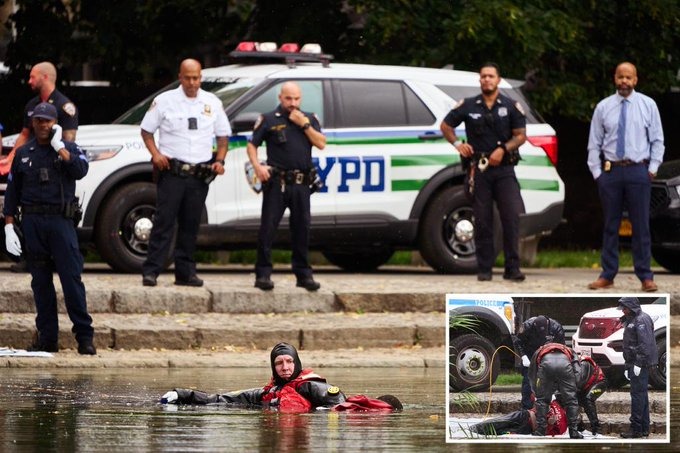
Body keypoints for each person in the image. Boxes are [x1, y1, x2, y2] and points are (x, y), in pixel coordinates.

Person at [2, 102, 95, 355]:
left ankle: (85, 338)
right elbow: (12, 193)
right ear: (33, 122)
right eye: (39, 120)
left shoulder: (68, 148)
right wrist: (9, 225)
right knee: (40, 284)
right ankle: (48, 339)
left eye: (48, 121)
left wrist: (60, 148)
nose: (43, 125)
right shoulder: (23, 153)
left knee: (71, 280)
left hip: (60, 223)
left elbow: (80, 170)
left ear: (55, 123)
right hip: (33, 223)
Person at [140, 59, 230, 288]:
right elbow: (146, 131)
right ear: (180, 77)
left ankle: (185, 273)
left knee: (191, 225)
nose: (192, 82)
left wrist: (220, 160)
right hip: (172, 171)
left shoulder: (212, 102)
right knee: (163, 222)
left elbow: (223, 136)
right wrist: (156, 154)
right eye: (188, 77)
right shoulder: (165, 101)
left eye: (196, 77)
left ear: (201, 77)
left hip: (199, 174)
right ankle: (151, 271)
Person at [440, 62, 527, 282]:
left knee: (511, 217)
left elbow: (520, 135)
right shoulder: (469, 105)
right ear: (480, 80)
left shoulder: (510, 105)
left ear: (498, 80)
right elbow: (445, 126)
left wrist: (502, 149)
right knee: (482, 219)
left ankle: (512, 268)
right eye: (483, 76)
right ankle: (485, 269)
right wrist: (459, 144)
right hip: (479, 170)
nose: (487, 79)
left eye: (491, 76)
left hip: (505, 168)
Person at [586, 62, 665, 293]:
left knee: (641, 225)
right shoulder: (603, 107)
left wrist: (653, 168)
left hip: (638, 171)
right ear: (615, 78)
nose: (624, 81)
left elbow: (657, 139)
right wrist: (597, 173)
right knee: (611, 224)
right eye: (620, 77)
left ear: (635, 80)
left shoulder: (648, 105)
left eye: (628, 77)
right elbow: (594, 143)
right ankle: (607, 274)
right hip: (610, 173)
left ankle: (645, 276)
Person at [160, 342, 401, 413]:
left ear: (297, 363)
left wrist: (325, 414)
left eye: (289, 362)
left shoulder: (311, 386)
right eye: (279, 363)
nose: (285, 367)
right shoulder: (267, 392)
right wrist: (182, 394)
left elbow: (342, 406)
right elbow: (222, 400)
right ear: (273, 368)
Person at [247, 82, 326, 291]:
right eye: (288, 99)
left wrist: (304, 125)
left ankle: (303, 275)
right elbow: (252, 144)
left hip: (301, 183)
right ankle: (263, 274)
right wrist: (257, 166)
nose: (293, 103)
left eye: (297, 99)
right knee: (268, 229)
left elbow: (321, 143)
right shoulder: (269, 119)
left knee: (302, 229)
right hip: (277, 183)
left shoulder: (309, 118)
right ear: (280, 98)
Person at [0, 62, 79, 273]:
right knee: (27, 205)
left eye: (33, 77)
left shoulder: (64, 106)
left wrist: (57, 151)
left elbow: (69, 141)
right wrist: (11, 158)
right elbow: (25, 135)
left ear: (45, 77)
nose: (29, 81)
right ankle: (29, 256)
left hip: (56, 165)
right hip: (33, 163)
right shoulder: (32, 105)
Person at [618, 296, 657, 438]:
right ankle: (644, 428)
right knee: (641, 395)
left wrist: (638, 363)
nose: (623, 310)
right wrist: (628, 365)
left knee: (637, 396)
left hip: (639, 363)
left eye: (625, 307)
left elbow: (645, 344)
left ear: (632, 307)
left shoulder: (641, 320)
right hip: (634, 363)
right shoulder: (633, 319)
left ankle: (636, 429)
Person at [528, 342, 583, 439]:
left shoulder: (539, 350)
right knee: (571, 401)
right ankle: (573, 431)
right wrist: (575, 386)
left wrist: (536, 391)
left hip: (546, 366)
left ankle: (541, 430)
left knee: (542, 400)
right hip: (565, 367)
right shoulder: (569, 350)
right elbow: (578, 370)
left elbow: (532, 373)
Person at [512, 315, 565, 410]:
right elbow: (518, 342)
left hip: (548, 357)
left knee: (552, 382)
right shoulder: (527, 326)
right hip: (530, 356)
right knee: (528, 382)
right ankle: (526, 408)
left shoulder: (556, 328)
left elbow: (561, 347)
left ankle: (552, 407)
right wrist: (523, 356)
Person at [557, 353, 607, 436]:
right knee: (565, 399)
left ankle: (596, 428)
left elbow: (579, 383)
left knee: (588, 399)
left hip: (599, 383)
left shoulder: (583, 364)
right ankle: (580, 427)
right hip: (583, 387)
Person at [469, 399, 567, 436]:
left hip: (528, 428)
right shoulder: (556, 403)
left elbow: (544, 433)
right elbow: (537, 400)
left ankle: (479, 433)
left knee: (502, 431)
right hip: (526, 415)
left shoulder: (562, 428)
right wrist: (544, 407)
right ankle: (473, 429)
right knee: (501, 421)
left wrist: (549, 424)